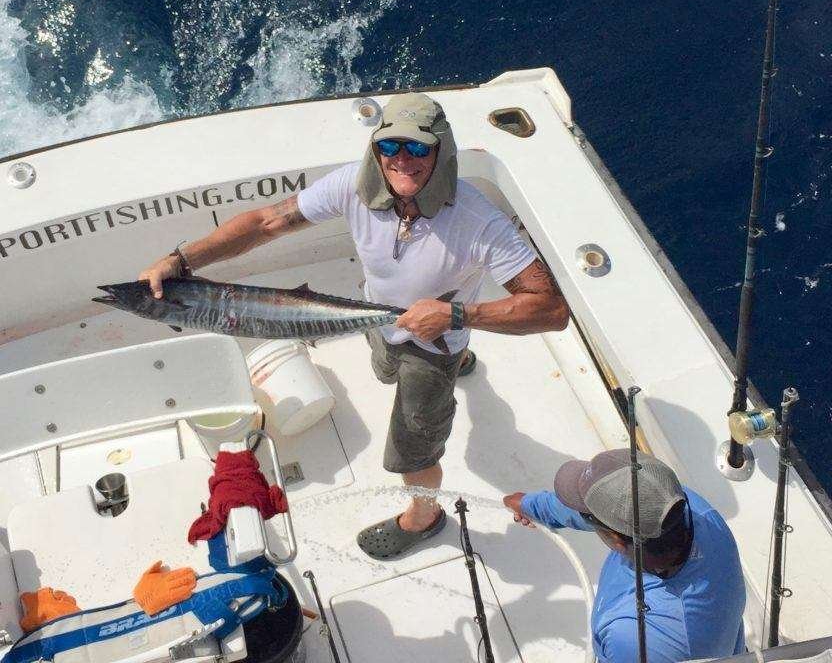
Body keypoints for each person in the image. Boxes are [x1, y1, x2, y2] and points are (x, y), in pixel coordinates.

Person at [140, 92, 569, 558]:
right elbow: (267, 222)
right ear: (376, 149)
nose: (402, 160)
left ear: (441, 149)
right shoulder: (353, 185)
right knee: (384, 367)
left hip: (435, 343)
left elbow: (550, 308)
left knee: (411, 449)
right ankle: (455, 356)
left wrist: (457, 315)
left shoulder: (478, 221)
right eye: (390, 147)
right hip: (376, 315)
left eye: (418, 149)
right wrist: (180, 259)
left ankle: (424, 517)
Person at [503, 450, 746, 663]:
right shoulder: (686, 506)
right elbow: (597, 513)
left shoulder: (632, 637)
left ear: (616, 539)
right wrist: (530, 505)